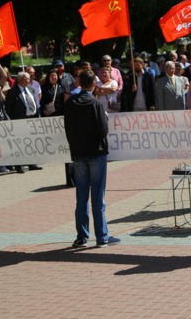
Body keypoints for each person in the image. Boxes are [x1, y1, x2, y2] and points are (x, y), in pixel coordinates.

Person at [64, 69, 120, 249]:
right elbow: (103, 130)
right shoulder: (95, 103)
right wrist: (105, 119)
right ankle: (102, 237)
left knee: (81, 196)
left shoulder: (71, 102)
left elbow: (67, 128)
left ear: (79, 83)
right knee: (98, 196)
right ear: (94, 85)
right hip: (96, 152)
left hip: (78, 153)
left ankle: (82, 237)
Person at [5, 71, 43, 173]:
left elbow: (35, 103)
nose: (29, 80)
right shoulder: (13, 92)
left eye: (29, 78)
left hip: (31, 120)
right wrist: (13, 121)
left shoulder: (31, 89)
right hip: (19, 121)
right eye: (26, 78)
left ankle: (32, 163)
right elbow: (8, 108)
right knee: (20, 144)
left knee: (31, 142)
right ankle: (19, 165)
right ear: (20, 80)